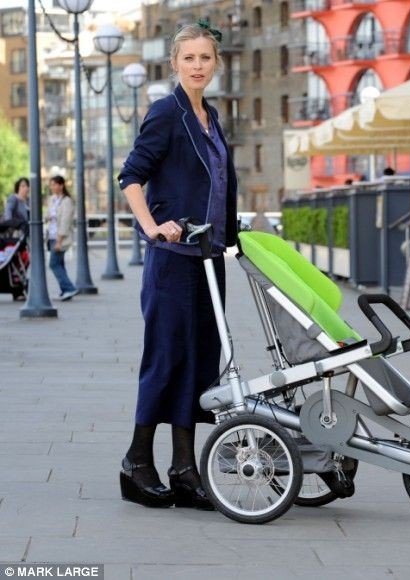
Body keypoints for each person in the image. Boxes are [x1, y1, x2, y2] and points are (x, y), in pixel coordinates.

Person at [117, 20, 238, 510]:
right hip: (172, 260)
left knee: (199, 362)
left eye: (204, 58)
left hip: (208, 259)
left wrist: (232, 231)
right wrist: (152, 227)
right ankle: (136, 463)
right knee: (166, 360)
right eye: (188, 58)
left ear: (216, 63)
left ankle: (185, 470)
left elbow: (215, 183)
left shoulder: (210, 115)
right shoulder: (166, 113)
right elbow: (131, 176)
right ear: (174, 63)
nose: (197, 66)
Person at [46, 175, 78, 301]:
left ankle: (69, 288)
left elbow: (65, 222)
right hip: (52, 235)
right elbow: (49, 215)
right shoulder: (51, 199)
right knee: (59, 263)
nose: (52, 187)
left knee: (53, 264)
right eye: (51, 184)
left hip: (61, 237)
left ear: (61, 185)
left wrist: (59, 241)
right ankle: (65, 290)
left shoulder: (67, 201)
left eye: (54, 184)